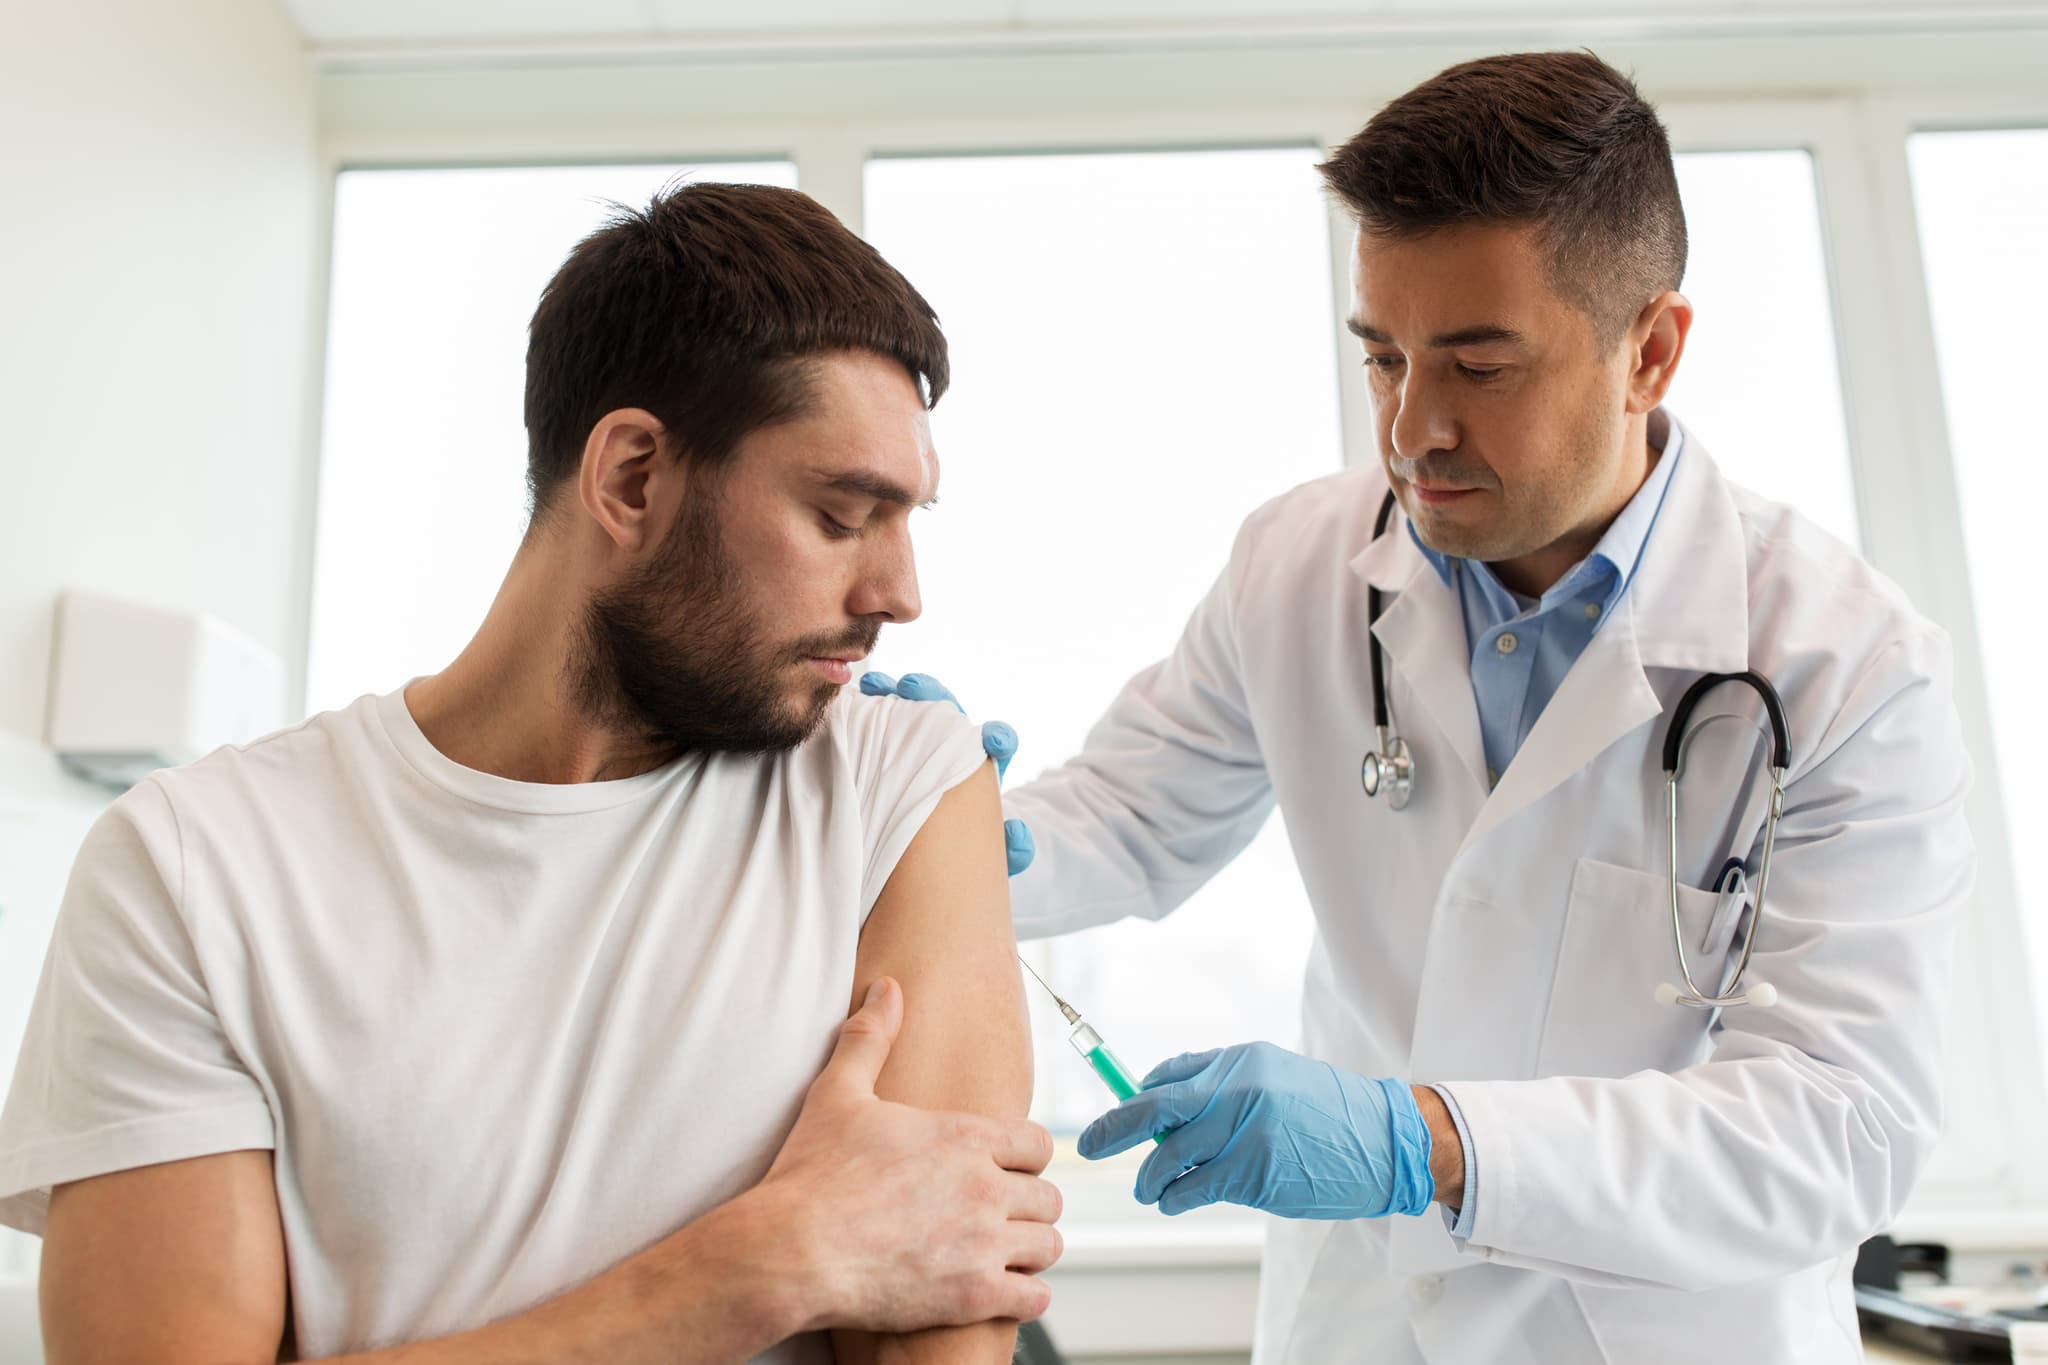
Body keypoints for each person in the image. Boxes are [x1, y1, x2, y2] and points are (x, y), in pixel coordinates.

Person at [873, 50, 1971, 1364]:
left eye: (1479, 365)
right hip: (1367, 1327)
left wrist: (1420, 1144)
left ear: (1653, 351)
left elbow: (1838, 1128)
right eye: (1383, 357)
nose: (1413, 430)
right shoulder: (1299, 565)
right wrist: (938, 822)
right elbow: (1130, 813)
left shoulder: (1843, 663)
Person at [0, 183, 1062, 1365]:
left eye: (908, 520)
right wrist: (764, 1262)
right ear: (633, 480)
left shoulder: (895, 787)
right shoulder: (200, 869)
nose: (898, 595)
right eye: (840, 515)